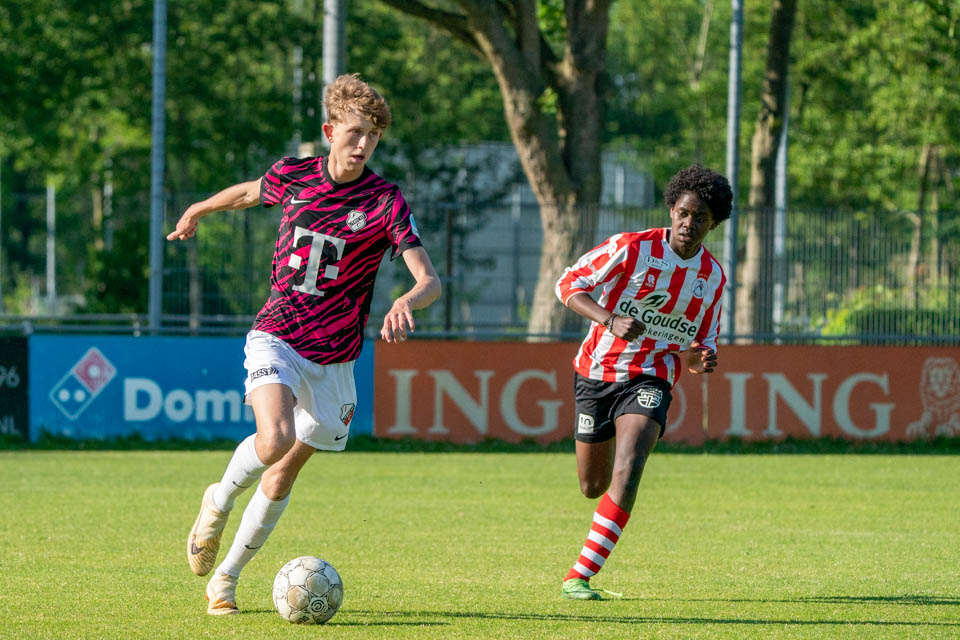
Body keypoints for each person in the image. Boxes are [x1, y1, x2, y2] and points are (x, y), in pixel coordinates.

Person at [166, 73, 441, 615]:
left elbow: (429, 279)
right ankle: (217, 501)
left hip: (336, 359)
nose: (363, 144)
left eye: (373, 136)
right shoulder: (294, 174)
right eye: (355, 132)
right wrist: (200, 207)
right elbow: (248, 192)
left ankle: (224, 580)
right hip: (279, 334)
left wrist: (408, 299)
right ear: (330, 131)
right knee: (274, 438)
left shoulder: (385, 200)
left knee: (283, 470)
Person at [553, 164, 732, 600]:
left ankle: (579, 575)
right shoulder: (630, 248)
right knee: (592, 486)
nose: (689, 224)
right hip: (597, 372)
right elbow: (567, 284)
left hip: (652, 375)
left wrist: (700, 360)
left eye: (701, 218)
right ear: (672, 209)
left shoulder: (712, 278)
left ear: (714, 224)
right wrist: (608, 319)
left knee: (630, 464)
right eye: (684, 213)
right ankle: (587, 555)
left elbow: (699, 346)